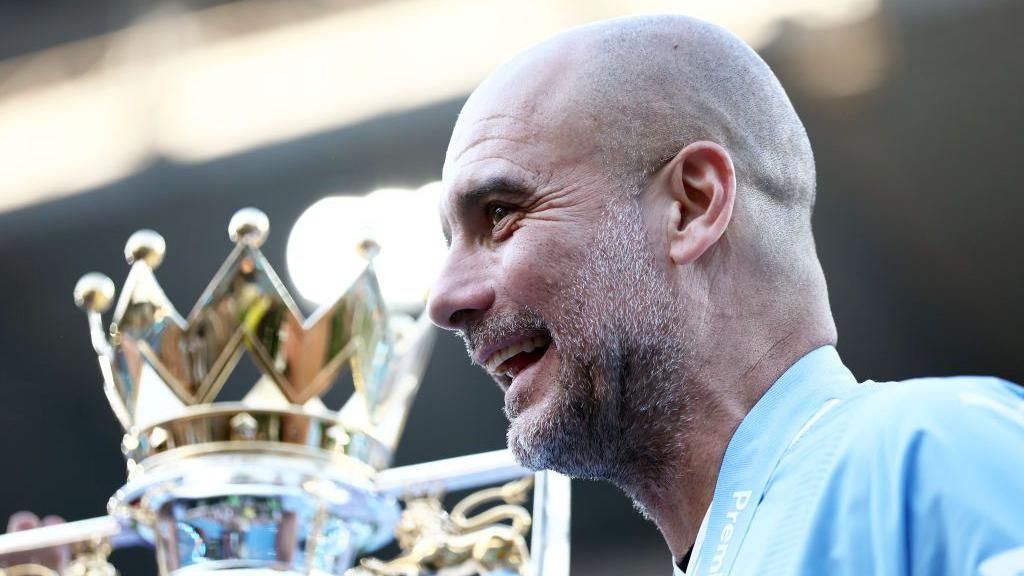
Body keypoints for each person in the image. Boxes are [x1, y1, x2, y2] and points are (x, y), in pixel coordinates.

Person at [426, 14, 1024, 576]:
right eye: (449, 242)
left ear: (690, 206)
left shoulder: (934, 451)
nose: (444, 299)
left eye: (501, 214)